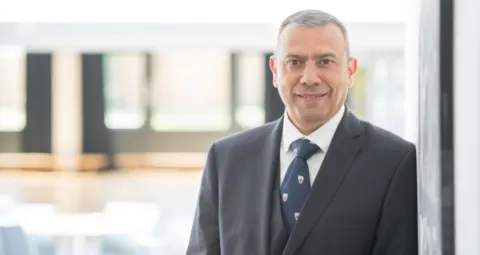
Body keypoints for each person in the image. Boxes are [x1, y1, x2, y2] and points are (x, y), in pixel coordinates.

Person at [186, 9, 418, 255]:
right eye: (294, 62)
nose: (309, 77)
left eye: (325, 61)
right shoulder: (226, 159)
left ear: (350, 71)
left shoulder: (394, 162)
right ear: (275, 71)